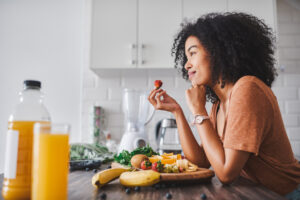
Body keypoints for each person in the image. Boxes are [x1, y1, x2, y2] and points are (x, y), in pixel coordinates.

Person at [148, 12, 300, 199]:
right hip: (255, 192)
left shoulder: (247, 88)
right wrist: (177, 111)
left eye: (193, 53)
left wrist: (198, 110)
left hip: (286, 194)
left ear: (217, 52)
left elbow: (226, 173)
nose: (187, 65)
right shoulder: (218, 105)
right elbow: (202, 162)